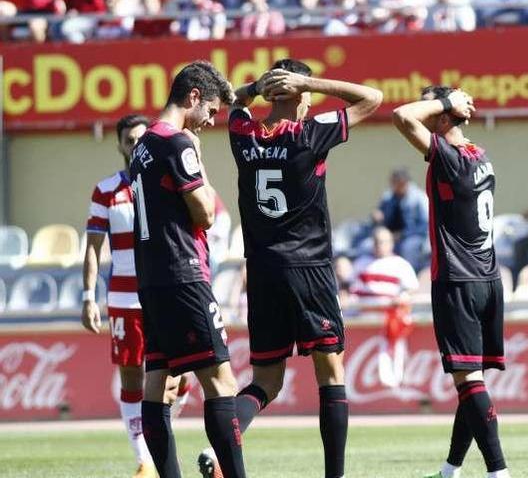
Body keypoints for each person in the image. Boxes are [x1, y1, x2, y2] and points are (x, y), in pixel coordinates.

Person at [215, 58, 382, 478]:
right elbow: (373, 98)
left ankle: (218, 449)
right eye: (306, 92)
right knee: (330, 372)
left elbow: (231, 101)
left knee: (265, 381)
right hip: (309, 268)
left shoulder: (244, 134)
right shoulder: (309, 134)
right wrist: (309, 81)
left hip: (263, 270)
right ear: (301, 93)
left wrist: (258, 86)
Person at [129, 61, 245, 478]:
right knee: (222, 383)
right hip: (184, 275)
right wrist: (197, 155)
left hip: (152, 279)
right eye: (211, 110)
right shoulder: (178, 143)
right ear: (193, 97)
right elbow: (206, 214)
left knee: (157, 385)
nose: (211, 121)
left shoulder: (141, 146)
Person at [392, 86, 511, 478]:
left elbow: (400, 116)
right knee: (469, 380)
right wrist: (447, 106)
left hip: (457, 279)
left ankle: (498, 471)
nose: (425, 116)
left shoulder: (450, 157)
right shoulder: (482, 156)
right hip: (488, 279)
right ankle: (449, 470)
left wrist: (444, 103)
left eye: (433, 109)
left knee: (469, 381)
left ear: (445, 117)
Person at [82, 114, 160, 478]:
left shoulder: (166, 180)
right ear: (120, 146)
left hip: (165, 295)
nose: (135, 145)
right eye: (129, 140)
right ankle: (144, 458)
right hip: (125, 301)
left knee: (177, 377)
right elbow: (94, 248)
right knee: (133, 379)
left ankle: (160, 443)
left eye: (141, 139)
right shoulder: (106, 190)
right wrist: (87, 296)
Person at [350, 226, 419, 387]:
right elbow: (351, 289)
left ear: (391, 243)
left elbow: (411, 289)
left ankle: (394, 378)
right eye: (376, 241)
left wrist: (403, 297)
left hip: (390, 318)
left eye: (383, 241)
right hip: (362, 319)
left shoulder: (401, 264)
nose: (380, 245)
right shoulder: (361, 263)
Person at [373, 167, 430, 270]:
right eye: (393, 183)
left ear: (405, 183)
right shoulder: (388, 196)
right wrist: (378, 215)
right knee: (371, 244)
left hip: (412, 236)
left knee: (407, 247)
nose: (394, 187)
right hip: (390, 235)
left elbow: (425, 224)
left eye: (397, 184)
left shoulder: (419, 197)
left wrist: (402, 234)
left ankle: (410, 274)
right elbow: (380, 213)